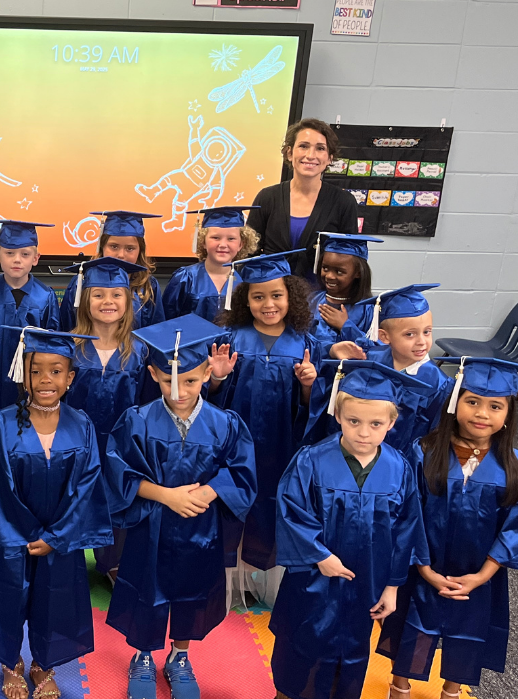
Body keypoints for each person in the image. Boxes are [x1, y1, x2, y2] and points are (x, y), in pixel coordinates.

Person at [104, 315, 257, 699]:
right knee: (147, 588)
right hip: (152, 525)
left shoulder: (225, 424)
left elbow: (241, 470)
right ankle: (142, 656)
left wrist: (211, 490)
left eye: (189, 380)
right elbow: (119, 473)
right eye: (169, 381)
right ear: (154, 374)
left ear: (206, 374)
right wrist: (166, 495)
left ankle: (180, 656)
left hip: (200, 529)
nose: (179, 391)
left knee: (193, 590)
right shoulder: (137, 421)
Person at [0, 327, 113, 699]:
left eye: (56, 371)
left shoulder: (82, 425)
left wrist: (55, 536)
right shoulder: (1, 422)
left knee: (55, 600)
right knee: (6, 595)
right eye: (36, 370)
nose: (45, 379)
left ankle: (43, 664)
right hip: (10, 535)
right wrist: (25, 533)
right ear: (22, 375)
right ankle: (10, 662)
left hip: (60, 536)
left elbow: (88, 484)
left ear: (70, 377)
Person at [380, 357, 518, 699]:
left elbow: (517, 527)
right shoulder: (424, 452)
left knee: (468, 632)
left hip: (478, 574)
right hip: (422, 565)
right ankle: (399, 686)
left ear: (508, 414)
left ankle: (452, 691)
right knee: (411, 625)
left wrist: (481, 576)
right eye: (472, 401)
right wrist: (425, 569)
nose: (482, 413)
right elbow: (408, 514)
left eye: (495, 406)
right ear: (455, 402)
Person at [270, 360, 429, 699]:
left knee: (350, 658)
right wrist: (320, 555)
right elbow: (291, 512)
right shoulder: (311, 460)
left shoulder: (400, 469)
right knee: (300, 650)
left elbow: (406, 531)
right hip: (313, 581)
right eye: (354, 421)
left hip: (366, 586)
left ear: (391, 423)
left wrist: (392, 587)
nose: (364, 432)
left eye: (376, 423)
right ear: (338, 415)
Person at [209, 250, 320, 606]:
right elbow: (213, 399)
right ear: (246, 300)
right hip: (236, 443)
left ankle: (262, 580)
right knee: (233, 501)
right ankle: (227, 582)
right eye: (258, 297)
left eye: (276, 296)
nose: (268, 304)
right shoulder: (232, 338)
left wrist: (308, 385)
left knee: (271, 504)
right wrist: (217, 378)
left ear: (291, 297)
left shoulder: (305, 342)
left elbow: (311, 408)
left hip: (281, 444)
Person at [62, 256, 149, 584]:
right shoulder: (68, 346)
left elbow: (148, 403)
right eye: (98, 294)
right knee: (73, 497)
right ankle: (68, 561)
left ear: (128, 302)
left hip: (122, 444)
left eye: (116, 295)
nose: (107, 302)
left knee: (118, 497)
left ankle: (113, 563)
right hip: (76, 443)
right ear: (85, 300)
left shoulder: (140, 351)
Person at [315, 285, 452, 461]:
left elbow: (434, 435)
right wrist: (333, 349)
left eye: (427, 332)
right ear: (384, 337)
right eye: (410, 334)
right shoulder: (370, 359)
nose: (421, 342)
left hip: (401, 463)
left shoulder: (439, 384)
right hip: (352, 451)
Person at [246, 119, 360, 279]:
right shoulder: (267, 198)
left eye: (320, 148)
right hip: (272, 291)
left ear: (330, 158)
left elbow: (349, 260)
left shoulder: (343, 202)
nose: (310, 155)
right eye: (303, 146)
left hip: (321, 292)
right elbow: (249, 254)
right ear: (289, 153)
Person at [0, 219, 59, 409]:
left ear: (35, 258)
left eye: (25, 254)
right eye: (9, 253)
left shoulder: (46, 296)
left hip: (32, 380)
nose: (17, 259)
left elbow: (52, 345)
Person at [59, 211, 164, 332]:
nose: (121, 255)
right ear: (102, 246)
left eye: (130, 248)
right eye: (114, 246)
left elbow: (157, 331)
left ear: (140, 250)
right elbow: (67, 327)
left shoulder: (148, 286)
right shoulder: (81, 282)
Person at [161, 206, 260, 322]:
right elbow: (165, 321)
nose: (223, 245)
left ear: (241, 244)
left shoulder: (244, 282)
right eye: (216, 238)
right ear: (203, 241)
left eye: (231, 239)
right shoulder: (185, 278)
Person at [307, 232, 381, 347]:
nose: (329, 276)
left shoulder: (368, 310)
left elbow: (376, 348)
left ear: (358, 273)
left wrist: (345, 326)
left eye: (339, 272)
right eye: (325, 268)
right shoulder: (310, 301)